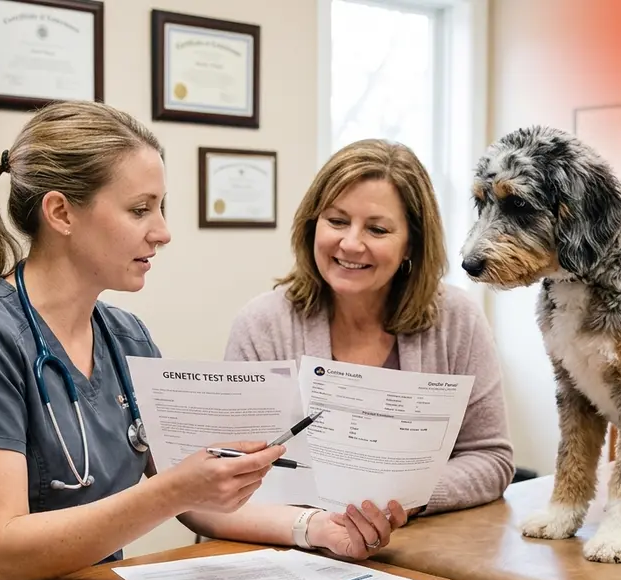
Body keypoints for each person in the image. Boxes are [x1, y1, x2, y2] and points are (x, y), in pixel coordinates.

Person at [0, 102, 389, 580]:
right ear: (61, 213)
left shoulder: (125, 337)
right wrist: (175, 488)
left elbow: (200, 503)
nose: (164, 231)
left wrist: (317, 529)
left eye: (161, 207)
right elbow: (1, 554)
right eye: (140, 209)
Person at [215, 138, 515, 549]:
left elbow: (491, 459)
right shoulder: (263, 324)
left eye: (377, 229)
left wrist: (401, 500)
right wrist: (314, 524)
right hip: (280, 551)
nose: (352, 244)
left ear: (411, 242)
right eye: (337, 221)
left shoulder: (456, 320)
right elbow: (228, 474)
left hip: (410, 553)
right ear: (312, 224)